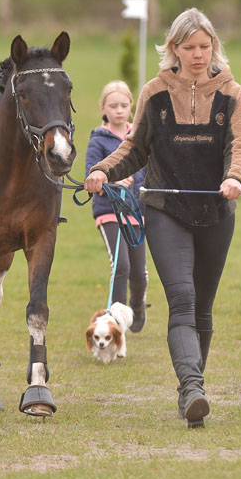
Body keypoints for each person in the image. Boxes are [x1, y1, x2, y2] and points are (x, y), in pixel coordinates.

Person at [85, 8, 241, 427]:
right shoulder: (154, 92)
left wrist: (235, 177)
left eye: (205, 46)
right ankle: (194, 388)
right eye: (190, 47)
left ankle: (189, 390)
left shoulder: (232, 92)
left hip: (217, 211)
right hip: (164, 210)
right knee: (181, 300)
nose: (198, 55)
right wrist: (103, 169)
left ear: (213, 46)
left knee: (203, 312)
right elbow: (135, 148)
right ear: (173, 48)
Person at [85, 81, 148, 332]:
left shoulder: (139, 137)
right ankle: (115, 322)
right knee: (121, 266)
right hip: (109, 211)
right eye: (113, 106)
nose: (119, 110)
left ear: (131, 107)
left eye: (124, 105)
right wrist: (111, 181)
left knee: (139, 273)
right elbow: (91, 176)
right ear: (103, 108)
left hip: (137, 211)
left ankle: (137, 305)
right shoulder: (98, 140)